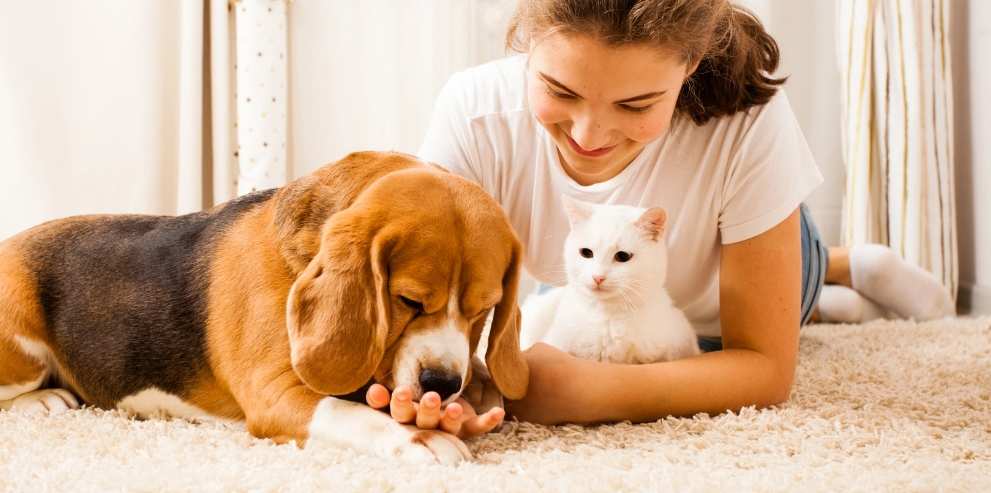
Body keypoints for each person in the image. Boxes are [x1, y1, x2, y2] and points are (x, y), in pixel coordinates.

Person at [364, 0, 955, 435]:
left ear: (692, 63)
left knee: (791, 285)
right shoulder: (472, 115)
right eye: (559, 91)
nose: (588, 136)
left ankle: (841, 268)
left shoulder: (751, 122)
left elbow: (767, 371)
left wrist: (594, 393)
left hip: (735, 274)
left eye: (635, 104)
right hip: (605, 284)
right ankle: (836, 304)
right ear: (526, 44)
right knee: (578, 280)